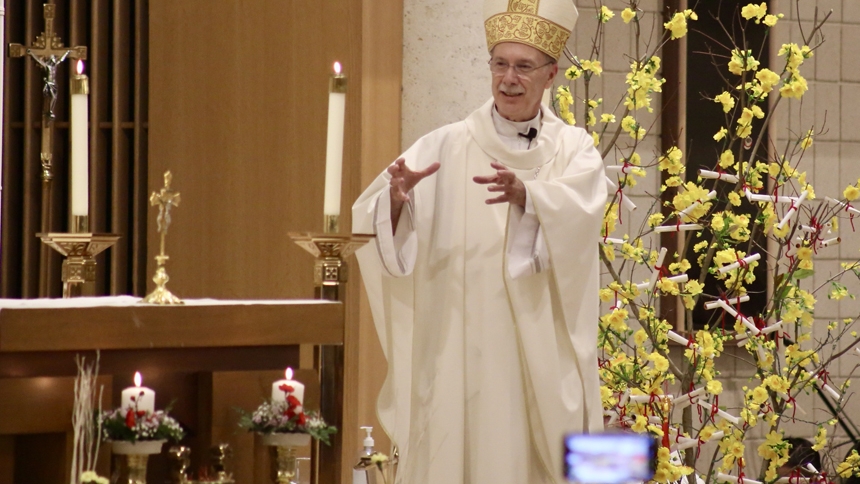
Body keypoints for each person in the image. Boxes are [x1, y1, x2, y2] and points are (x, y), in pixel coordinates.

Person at [352, 1, 606, 482]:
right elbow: (374, 225)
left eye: (523, 67)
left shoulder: (576, 151)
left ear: (550, 75)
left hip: (539, 352)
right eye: (500, 64)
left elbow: (581, 218)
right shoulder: (444, 145)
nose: (509, 79)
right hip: (458, 344)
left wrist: (530, 198)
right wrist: (396, 202)